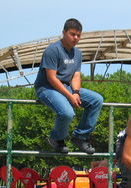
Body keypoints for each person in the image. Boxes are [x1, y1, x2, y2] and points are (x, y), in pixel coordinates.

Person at [34, 18, 103, 154]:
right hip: (47, 88)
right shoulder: (52, 50)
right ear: (64, 32)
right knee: (67, 113)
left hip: (67, 88)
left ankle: (80, 137)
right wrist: (69, 96)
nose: (75, 38)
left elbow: (76, 75)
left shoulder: (77, 53)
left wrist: (76, 92)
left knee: (97, 100)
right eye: (72, 34)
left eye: (78, 35)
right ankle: (56, 139)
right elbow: (51, 78)